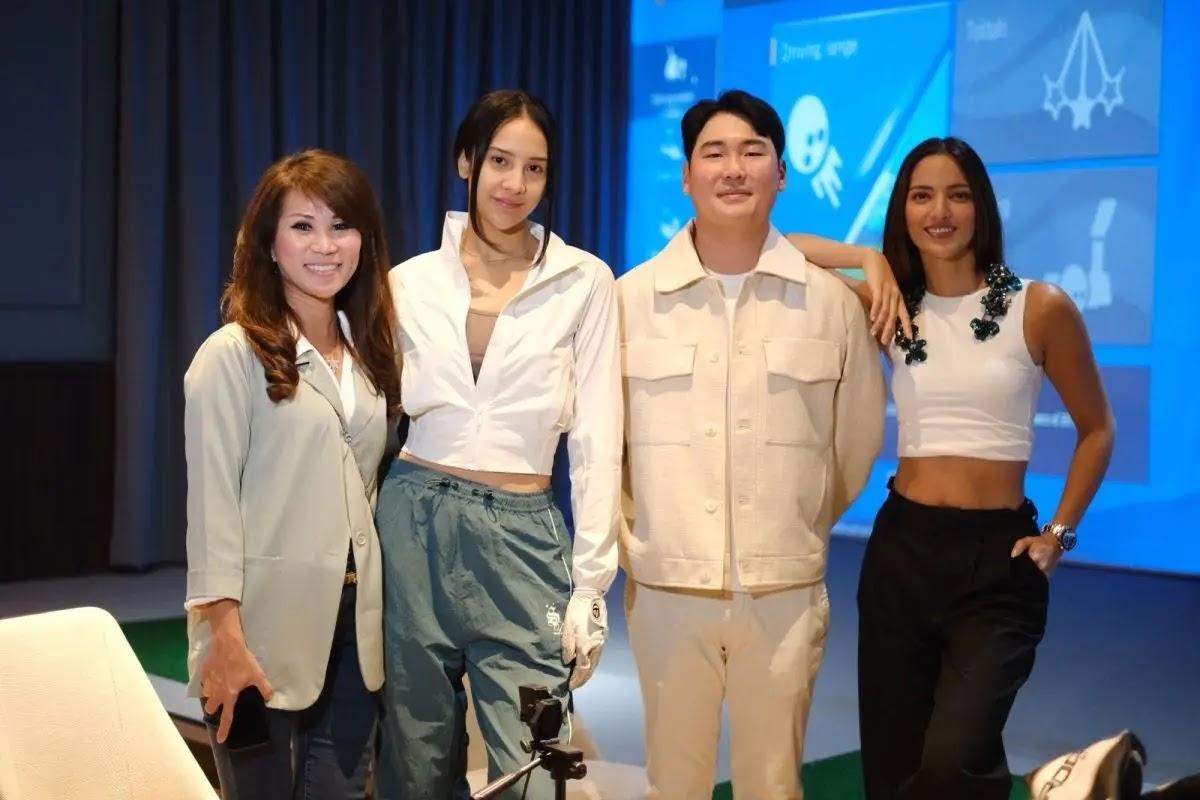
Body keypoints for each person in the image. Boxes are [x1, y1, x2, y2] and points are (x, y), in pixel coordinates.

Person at [618, 89, 886, 800]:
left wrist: (790, 524)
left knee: (774, 785)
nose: (733, 168)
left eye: (752, 152)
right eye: (714, 153)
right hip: (669, 588)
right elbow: (603, 447)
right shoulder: (628, 300)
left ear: (781, 172)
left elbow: (854, 443)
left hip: (785, 592)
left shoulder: (831, 304)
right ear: (685, 176)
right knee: (674, 783)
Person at [374, 90, 621, 800]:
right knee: (413, 757)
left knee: (533, 763)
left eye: (534, 169)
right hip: (413, 519)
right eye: (500, 162)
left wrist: (593, 583)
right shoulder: (408, 283)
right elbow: (372, 421)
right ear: (466, 163)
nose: (515, 184)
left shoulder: (585, 282)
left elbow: (601, 438)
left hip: (522, 536)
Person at [855, 136, 1116, 799]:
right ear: (902, 210)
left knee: (954, 760)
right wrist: (865, 259)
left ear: (983, 208)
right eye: (921, 195)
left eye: (957, 194)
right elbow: (781, 251)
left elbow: (1097, 430)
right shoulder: (891, 306)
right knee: (893, 767)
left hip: (995, 562)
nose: (939, 211)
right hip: (901, 554)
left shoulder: (1039, 305)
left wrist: (1060, 533)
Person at [183, 149, 401, 799]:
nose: (325, 245)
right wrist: (223, 636)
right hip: (254, 633)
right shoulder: (230, 356)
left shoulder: (371, 352)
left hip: (354, 631)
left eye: (342, 226)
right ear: (269, 245)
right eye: (302, 226)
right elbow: (211, 510)